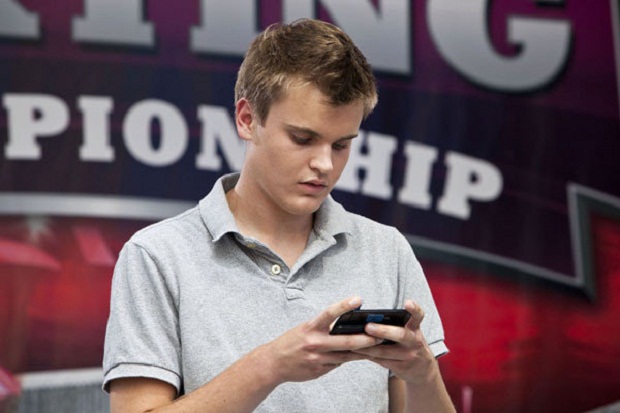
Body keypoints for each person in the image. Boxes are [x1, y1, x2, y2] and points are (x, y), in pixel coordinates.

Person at [103, 18, 455, 413]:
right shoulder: (157, 255)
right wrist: (269, 366)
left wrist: (423, 374)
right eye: (303, 139)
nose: (325, 164)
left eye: (341, 145)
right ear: (247, 119)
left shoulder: (387, 251)